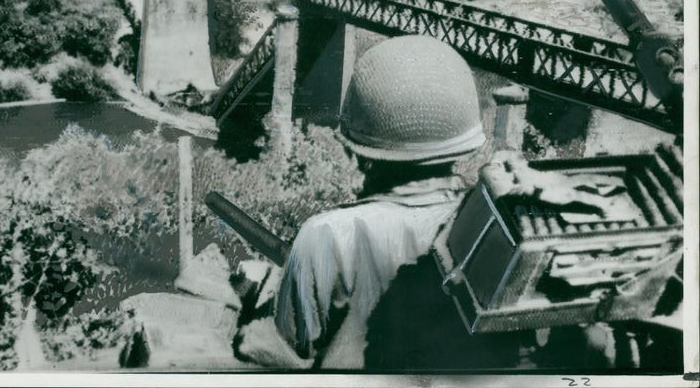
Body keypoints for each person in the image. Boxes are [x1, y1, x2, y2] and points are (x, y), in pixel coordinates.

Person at [235, 35, 660, 371]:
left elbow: (292, 351)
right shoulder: (501, 224)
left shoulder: (327, 236)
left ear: (356, 151)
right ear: (464, 144)